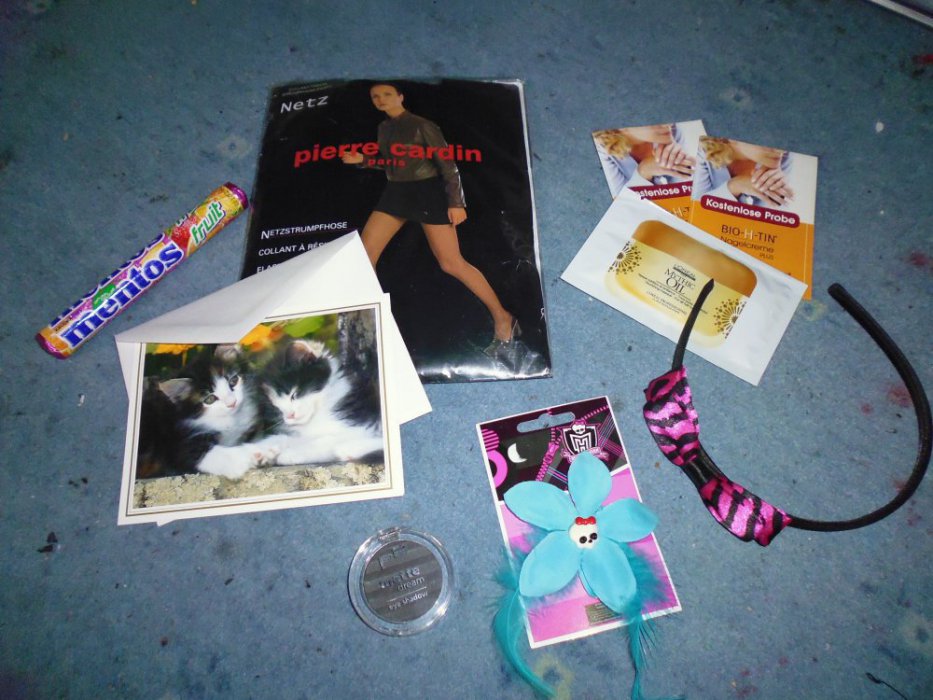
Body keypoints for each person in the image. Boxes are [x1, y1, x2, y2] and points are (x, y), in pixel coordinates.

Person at [341, 83, 519, 358]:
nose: (380, 99)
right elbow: (394, 164)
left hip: (427, 193)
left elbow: (448, 165)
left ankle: (503, 316)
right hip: (396, 193)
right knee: (365, 256)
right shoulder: (384, 128)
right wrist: (363, 160)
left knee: (451, 263)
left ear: (400, 97)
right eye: (375, 96)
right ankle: (368, 329)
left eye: (386, 94)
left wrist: (456, 202)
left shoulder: (422, 125)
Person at [592, 123, 695, 197]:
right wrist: (644, 171)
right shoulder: (601, 150)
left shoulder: (672, 130)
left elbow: (684, 193)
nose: (667, 124)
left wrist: (687, 166)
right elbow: (621, 207)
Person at [693, 136, 794, 209]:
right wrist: (734, 186)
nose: (781, 150)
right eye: (767, 141)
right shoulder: (702, 151)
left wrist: (778, 191)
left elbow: (776, 212)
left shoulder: (782, 156)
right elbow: (695, 210)